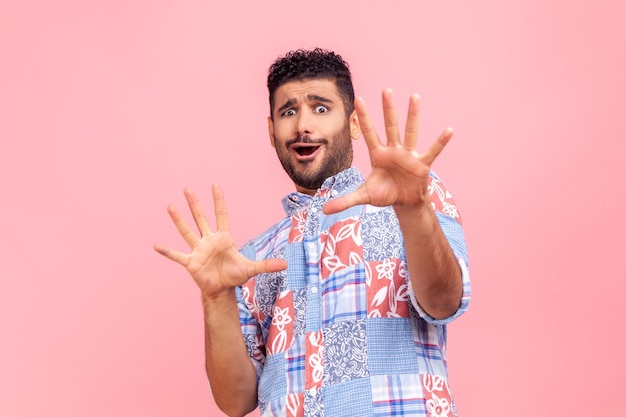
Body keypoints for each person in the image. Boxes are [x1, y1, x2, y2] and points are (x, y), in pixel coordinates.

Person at [154, 48, 470, 417]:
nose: (303, 125)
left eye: (321, 108)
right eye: (288, 111)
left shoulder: (413, 200)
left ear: (353, 123)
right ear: (272, 131)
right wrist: (215, 295)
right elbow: (236, 401)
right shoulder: (253, 257)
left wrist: (414, 211)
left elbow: (444, 302)